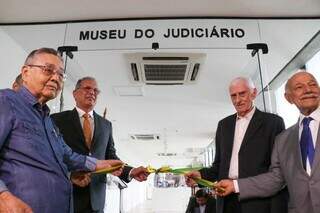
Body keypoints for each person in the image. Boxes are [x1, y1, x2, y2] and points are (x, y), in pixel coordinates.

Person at [0, 48, 123, 213]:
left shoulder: (47, 119)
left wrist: (99, 164)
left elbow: (66, 155)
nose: (55, 78)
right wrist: (3, 197)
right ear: (26, 72)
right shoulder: (6, 101)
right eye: (48, 70)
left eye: (60, 74)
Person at [217, 71, 320, 213]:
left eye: (312, 84)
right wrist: (235, 186)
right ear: (289, 98)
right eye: (299, 87)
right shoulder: (283, 139)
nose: (308, 90)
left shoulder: (273, 123)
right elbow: (276, 178)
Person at [185, 77, 288, 213]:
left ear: (254, 93)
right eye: (233, 96)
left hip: (259, 201)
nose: (238, 100)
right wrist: (200, 175)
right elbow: (218, 167)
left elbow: (278, 170)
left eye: (242, 94)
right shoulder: (224, 125)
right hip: (226, 200)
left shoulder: (273, 123)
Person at [51, 76, 149, 213]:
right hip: (67, 195)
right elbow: (51, 155)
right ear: (75, 93)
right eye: (87, 88)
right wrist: (70, 174)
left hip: (96, 199)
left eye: (96, 90)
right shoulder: (57, 120)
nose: (92, 92)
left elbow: (110, 155)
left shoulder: (106, 125)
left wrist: (131, 171)